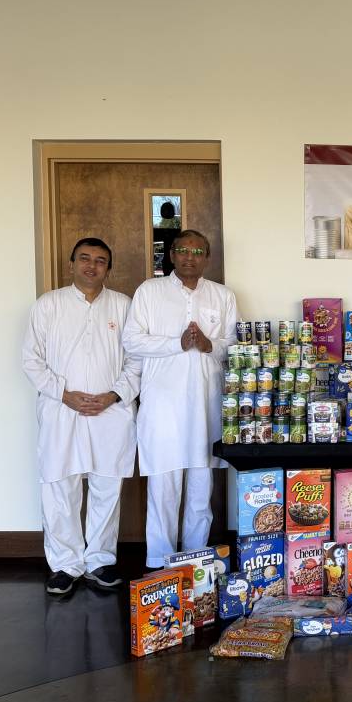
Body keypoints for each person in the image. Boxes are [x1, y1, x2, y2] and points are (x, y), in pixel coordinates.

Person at [22, 238, 140, 595]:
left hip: (111, 411)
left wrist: (113, 395)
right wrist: (64, 394)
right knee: (60, 486)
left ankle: (99, 561)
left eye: (100, 260)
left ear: (109, 268)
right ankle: (64, 565)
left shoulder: (123, 305)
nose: (92, 265)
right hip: (61, 409)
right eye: (85, 258)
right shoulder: (49, 304)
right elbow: (31, 359)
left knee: (107, 486)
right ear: (71, 263)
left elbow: (137, 360)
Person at [123, 230, 238, 569]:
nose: (190, 256)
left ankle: (194, 563)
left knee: (201, 489)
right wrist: (178, 343)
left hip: (206, 405)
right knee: (163, 488)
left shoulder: (222, 295)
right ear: (171, 254)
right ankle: (160, 565)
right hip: (163, 405)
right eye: (183, 250)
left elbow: (236, 346)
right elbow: (132, 341)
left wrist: (208, 345)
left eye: (198, 251)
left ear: (208, 258)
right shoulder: (149, 291)